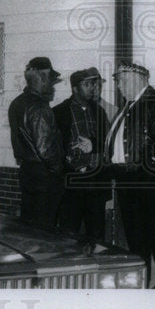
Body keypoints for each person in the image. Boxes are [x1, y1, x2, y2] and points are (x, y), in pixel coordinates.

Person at [104, 61, 155, 289]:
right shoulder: (128, 105)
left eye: (123, 80)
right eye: (118, 81)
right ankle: (141, 284)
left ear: (139, 79)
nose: (119, 85)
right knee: (137, 237)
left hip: (149, 181)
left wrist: (140, 168)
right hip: (129, 180)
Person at [54, 67, 111, 242]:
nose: (93, 87)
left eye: (94, 83)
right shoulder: (59, 112)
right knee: (69, 233)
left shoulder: (100, 112)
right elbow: (54, 148)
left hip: (96, 181)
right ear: (75, 88)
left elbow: (109, 143)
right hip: (72, 183)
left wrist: (94, 145)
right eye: (87, 84)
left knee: (97, 233)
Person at [8, 57, 66, 229]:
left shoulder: (17, 103)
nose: (51, 84)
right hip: (44, 177)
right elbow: (45, 149)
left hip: (28, 172)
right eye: (50, 79)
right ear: (41, 78)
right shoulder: (39, 107)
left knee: (30, 225)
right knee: (45, 228)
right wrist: (59, 170)